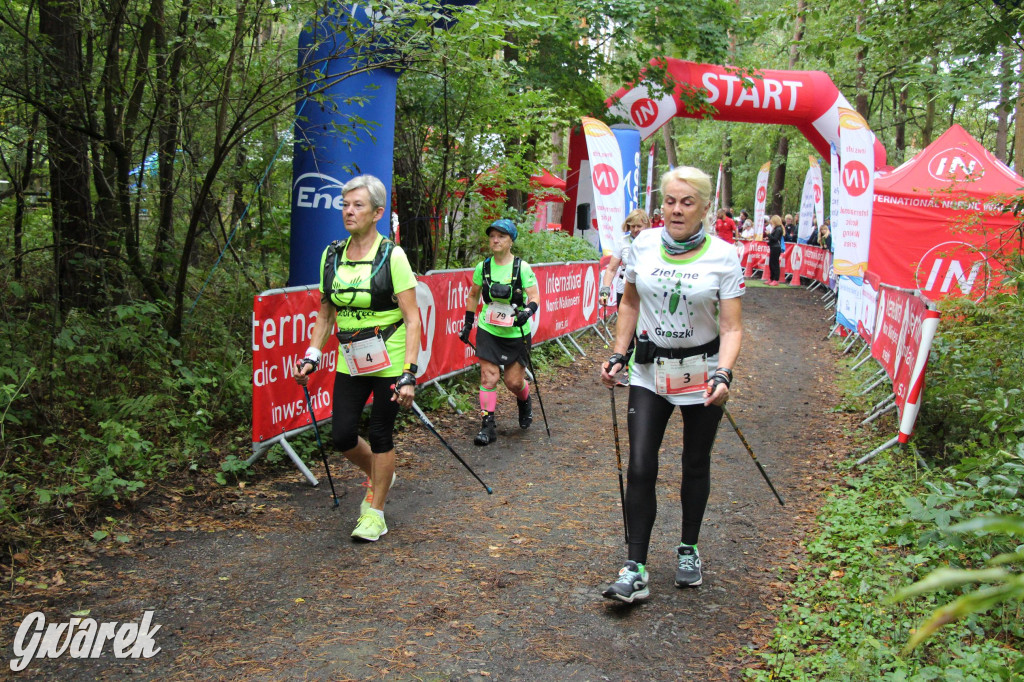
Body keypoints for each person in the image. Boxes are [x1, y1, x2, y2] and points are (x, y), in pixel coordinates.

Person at [599, 166, 743, 603]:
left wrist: (725, 372)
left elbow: (733, 328)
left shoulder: (723, 255)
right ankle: (635, 566)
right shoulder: (642, 244)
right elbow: (629, 303)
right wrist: (618, 351)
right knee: (641, 464)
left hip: (702, 372)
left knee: (694, 463)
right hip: (649, 371)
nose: (677, 210)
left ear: (704, 207)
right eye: (670, 201)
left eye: (687, 202)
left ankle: (688, 549)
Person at [295, 175, 421, 543]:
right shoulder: (331, 254)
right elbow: (324, 314)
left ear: (377, 212)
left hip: (390, 357)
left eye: (358, 205)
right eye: (345, 205)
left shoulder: (392, 255)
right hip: (350, 357)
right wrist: (312, 356)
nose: (349, 212)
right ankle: (382, 473)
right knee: (342, 434)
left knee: (381, 432)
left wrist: (409, 373)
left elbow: (413, 318)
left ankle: (376, 512)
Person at [459, 219, 541, 446]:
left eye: (501, 236)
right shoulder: (483, 267)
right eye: (492, 236)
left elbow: (534, 297)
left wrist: (528, 311)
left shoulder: (522, 267)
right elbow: (473, 295)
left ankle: (524, 401)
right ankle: (487, 426)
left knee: (513, 382)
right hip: (489, 328)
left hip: (516, 332)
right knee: (488, 377)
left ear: (511, 241)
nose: (495, 240)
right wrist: (468, 323)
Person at [600, 209, 652, 307]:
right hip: (624, 289)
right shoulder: (623, 241)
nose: (635, 229)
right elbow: (611, 269)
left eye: (639, 226)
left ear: (646, 225)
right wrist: (605, 291)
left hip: (646, 290)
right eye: (632, 226)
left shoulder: (653, 242)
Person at [767, 214, 785, 285]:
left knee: (775, 263)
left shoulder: (779, 229)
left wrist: (769, 235)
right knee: (771, 263)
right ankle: (771, 278)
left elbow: (775, 239)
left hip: (776, 247)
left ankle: (776, 279)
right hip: (773, 246)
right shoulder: (776, 228)